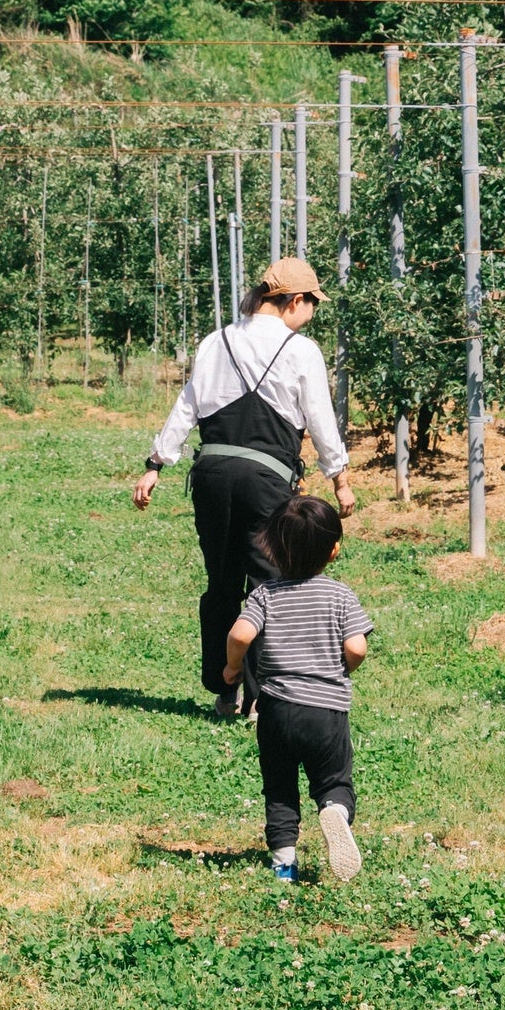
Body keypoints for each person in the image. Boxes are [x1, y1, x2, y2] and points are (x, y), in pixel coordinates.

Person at [134, 254, 352, 714]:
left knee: (222, 582)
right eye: (313, 303)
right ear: (294, 301)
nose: (313, 313)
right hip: (265, 477)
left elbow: (187, 406)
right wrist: (340, 479)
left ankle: (222, 687)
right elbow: (320, 419)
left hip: (212, 477)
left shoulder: (216, 342)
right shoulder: (300, 350)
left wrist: (156, 463)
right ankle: (260, 695)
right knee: (269, 582)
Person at [225, 491, 370, 883]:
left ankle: (284, 864)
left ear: (271, 550)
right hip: (326, 710)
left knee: (279, 787)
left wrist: (232, 669)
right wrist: (345, 667)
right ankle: (335, 811)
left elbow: (240, 635)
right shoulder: (339, 595)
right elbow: (356, 646)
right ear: (334, 550)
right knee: (333, 780)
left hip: (275, 709)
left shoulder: (264, 595)